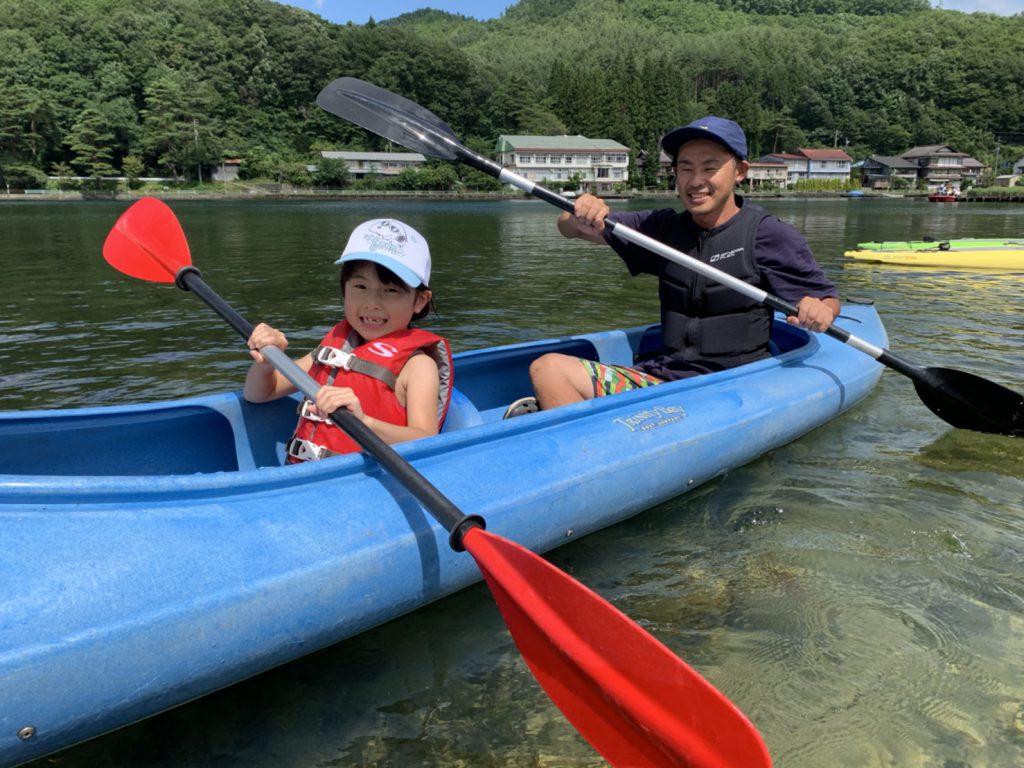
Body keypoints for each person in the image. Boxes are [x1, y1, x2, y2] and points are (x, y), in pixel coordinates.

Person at [513, 116, 839, 415]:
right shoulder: (662, 229)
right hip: (665, 382)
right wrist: (580, 210)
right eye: (685, 168)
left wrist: (820, 309)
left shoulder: (768, 234)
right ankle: (585, 446)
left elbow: (825, 299)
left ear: (740, 171)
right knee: (547, 368)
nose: (696, 180)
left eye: (709, 167)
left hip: (735, 388)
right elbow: (569, 227)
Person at [244, 219, 452, 462]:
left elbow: (426, 439)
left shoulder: (418, 366)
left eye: (391, 290)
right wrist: (267, 362)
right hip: (303, 477)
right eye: (360, 286)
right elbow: (260, 393)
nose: (372, 302)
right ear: (344, 288)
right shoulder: (333, 348)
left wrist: (364, 422)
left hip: (363, 484)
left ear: (420, 301)